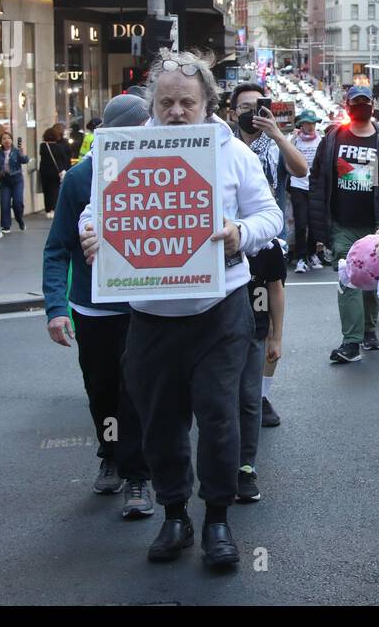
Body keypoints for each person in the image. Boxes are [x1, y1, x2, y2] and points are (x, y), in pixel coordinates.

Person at [80, 51, 282, 569]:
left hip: (219, 311)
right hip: (150, 317)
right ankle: (175, 515)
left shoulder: (233, 152)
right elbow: (94, 210)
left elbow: (270, 216)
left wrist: (241, 234)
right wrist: (91, 233)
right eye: (165, 102)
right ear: (153, 102)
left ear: (207, 103)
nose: (174, 111)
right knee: (161, 422)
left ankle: (217, 519)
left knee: (218, 419)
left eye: (185, 102)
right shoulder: (123, 150)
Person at [43, 94, 153, 517]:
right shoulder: (79, 179)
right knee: (102, 389)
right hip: (93, 309)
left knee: (137, 390)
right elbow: (57, 249)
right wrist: (56, 308)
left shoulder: (159, 168)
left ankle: (138, 478)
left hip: (143, 307)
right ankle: (110, 452)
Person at [308, 85, 379, 364]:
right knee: (348, 278)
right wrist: (318, 229)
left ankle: (369, 330)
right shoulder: (332, 139)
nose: (361, 107)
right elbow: (317, 182)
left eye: (366, 102)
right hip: (342, 223)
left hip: (378, 225)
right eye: (356, 102)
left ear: (373, 106)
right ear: (347, 105)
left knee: (373, 277)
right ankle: (351, 341)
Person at [238, 236, 287, 497]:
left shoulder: (267, 245)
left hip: (253, 330)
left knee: (249, 399)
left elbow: (275, 288)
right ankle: (217, 467)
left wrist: (276, 337)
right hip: (211, 332)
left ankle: (246, 468)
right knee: (214, 402)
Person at [228, 83, 307, 235]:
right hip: (234, 237)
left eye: (257, 107)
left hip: (272, 239)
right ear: (233, 114)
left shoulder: (276, 147)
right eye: (245, 107)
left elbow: (301, 170)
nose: (252, 112)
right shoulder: (227, 148)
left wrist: (277, 134)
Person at [288, 110, 325, 273]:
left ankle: (311, 254)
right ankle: (301, 258)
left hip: (315, 186)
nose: (310, 126)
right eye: (307, 123)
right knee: (301, 223)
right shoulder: (294, 141)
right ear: (301, 124)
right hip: (298, 185)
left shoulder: (321, 140)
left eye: (313, 123)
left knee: (314, 223)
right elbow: (286, 157)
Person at [0, 132, 29, 232]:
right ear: (1, 142)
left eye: (9, 138)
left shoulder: (16, 151)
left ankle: (20, 220)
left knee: (17, 203)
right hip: (5, 181)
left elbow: (25, 160)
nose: (7, 140)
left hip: (17, 180)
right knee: (4, 203)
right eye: (4, 139)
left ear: (11, 140)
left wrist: (22, 153)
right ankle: (6, 225)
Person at [39, 124, 71, 217]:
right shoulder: (59, 147)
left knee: (46, 191)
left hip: (44, 172)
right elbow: (63, 159)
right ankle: (53, 209)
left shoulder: (43, 146)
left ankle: (47, 210)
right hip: (55, 172)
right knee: (54, 190)